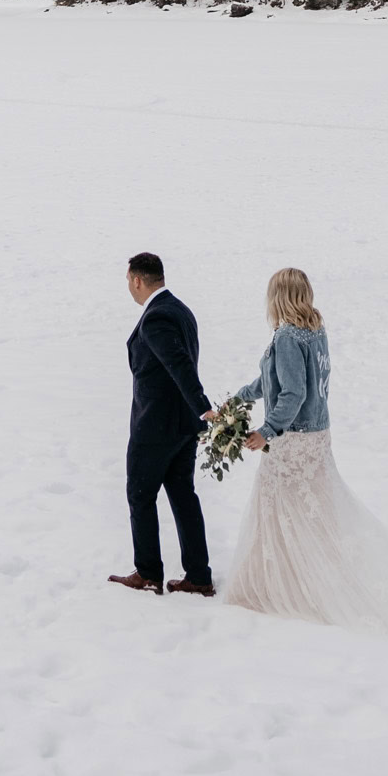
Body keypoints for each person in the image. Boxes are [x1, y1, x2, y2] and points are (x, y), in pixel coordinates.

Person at [212, 268, 388, 650]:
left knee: (274, 513)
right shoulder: (314, 329)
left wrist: (265, 431)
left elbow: (292, 394)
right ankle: (302, 578)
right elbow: (269, 381)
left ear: (278, 296)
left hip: (293, 441)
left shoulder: (288, 336)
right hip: (318, 437)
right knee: (312, 514)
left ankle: (275, 589)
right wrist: (236, 402)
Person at [110, 252, 215, 596]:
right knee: (184, 496)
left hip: (156, 427)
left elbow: (180, 365)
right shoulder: (181, 310)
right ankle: (198, 576)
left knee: (139, 496)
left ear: (138, 280)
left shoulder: (156, 318)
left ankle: (149, 573)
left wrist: (203, 407)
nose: (128, 287)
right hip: (182, 427)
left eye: (128, 281)